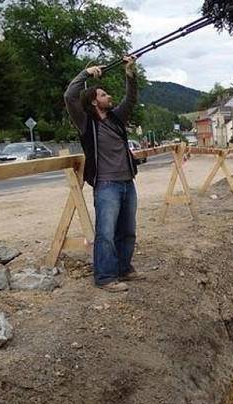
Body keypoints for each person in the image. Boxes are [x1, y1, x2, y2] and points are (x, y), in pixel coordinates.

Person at [64, 56, 144, 292]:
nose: (108, 96)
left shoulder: (117, 119)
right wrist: (86, 74)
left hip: (127, 182)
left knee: (128, 230)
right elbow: (69, 96)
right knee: (106, 233)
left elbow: (131, 98)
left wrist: (130, 72)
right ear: (93, 102)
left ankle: (124, 269)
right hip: (106, 184)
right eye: (103, 94)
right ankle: (105, 277)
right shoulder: (85, 123)